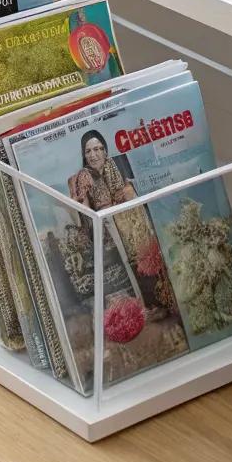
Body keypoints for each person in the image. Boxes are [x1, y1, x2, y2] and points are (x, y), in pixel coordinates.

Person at [67, 129, 179, 319]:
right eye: (88, 151)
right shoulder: (84, 176)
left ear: (105, 150)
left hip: (132, 221)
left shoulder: (114, 166)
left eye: (98, 149)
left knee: (150, 257)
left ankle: (166, 302)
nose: (94, 155)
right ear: (84, 155)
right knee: (133, 268)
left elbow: (132, 193)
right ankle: (149, 308)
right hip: (110, 231)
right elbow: (85, 213)